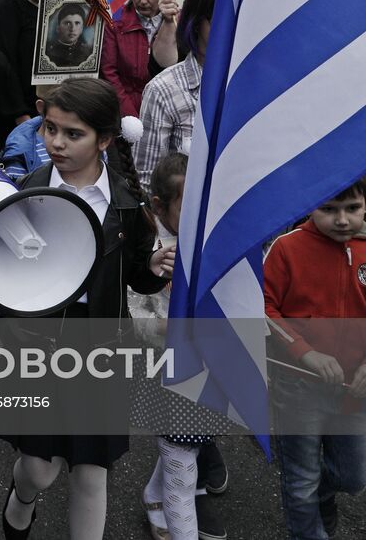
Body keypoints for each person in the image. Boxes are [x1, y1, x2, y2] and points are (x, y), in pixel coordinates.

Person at [0, 78, 170, 540]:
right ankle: (21, 499)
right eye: (50, 128)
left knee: (92, 474)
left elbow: (136, 273)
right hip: (39, 346)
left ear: (105, 139)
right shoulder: (25, 192)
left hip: (103, 349)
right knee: (39, 468)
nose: (56, 143)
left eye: (73, 134)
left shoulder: (127, 203)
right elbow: (4, 280)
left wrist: (153, 267)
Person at [265, 178, 366, 538]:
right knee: (300, 481)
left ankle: (319, 496)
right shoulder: (286, 248)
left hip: (354, 390)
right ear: (310, 205)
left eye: (352, 209)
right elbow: (263, 308)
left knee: (356, 476)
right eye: (328, 209)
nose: (341, 220)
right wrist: (305, 353)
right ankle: (308, 520)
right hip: (298, 386)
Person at [129, 152, 231, 540]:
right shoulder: (151, 252)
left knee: (185, 452)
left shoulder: (214, 244)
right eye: (187, 206)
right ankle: (172, 513)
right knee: (183, 474)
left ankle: (153, 497)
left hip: (211, 369)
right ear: (159, 205)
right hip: (167, 374)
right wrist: (175, 327)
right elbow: (135, 315)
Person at [136, 0, 220, 190]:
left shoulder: (260, 81)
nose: (230, 31)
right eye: (219, 21)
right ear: (195, 23)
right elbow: (146, 182)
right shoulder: (164, 91)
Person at [99, 0, 181, 119]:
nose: (143, 1)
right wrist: (129, 116)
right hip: (125, 108)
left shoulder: (179, 21)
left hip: (169, 108)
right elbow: (109, 72)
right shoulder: (115, 20)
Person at [42, 0, 95, 70]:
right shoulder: (48, 51)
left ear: (82, 28)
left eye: (77, 23)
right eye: (67, 23)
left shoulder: (87, 52)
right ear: (58, 27)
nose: (72, 29)